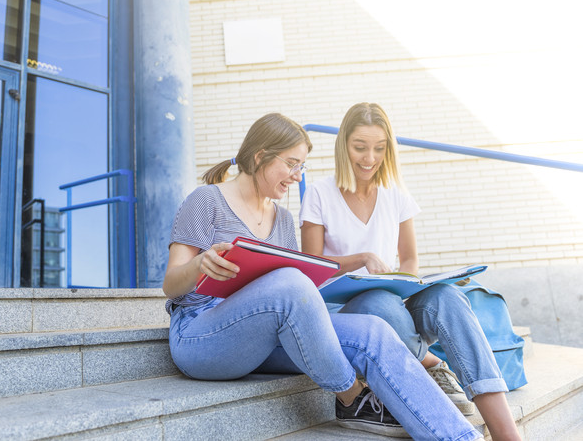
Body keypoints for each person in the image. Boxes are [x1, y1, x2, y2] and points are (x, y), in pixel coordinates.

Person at [163, 112, 482, 440]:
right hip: (200, 336)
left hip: (267, 337)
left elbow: (297, 298)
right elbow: (170, 285)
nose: (296, 176)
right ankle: (352, 397)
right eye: (291, 164)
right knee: (290, 282)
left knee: (373, 331)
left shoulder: (284, 220)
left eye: (301, 166)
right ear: (260, 156)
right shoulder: (206, 200)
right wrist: (200, 264)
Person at [300, 102, 521, 441]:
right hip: (346, 313)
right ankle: (430, 362)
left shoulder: (396, 194)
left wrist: (409, 285)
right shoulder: (318, 193)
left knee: (447, 296)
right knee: (378, 303)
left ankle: (507, 434)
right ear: (343, 144)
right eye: (360, 147)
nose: (369, 158)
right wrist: (361, 258)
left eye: (379, 148)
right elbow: (310, 270)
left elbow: (410, 263)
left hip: (395, 305)